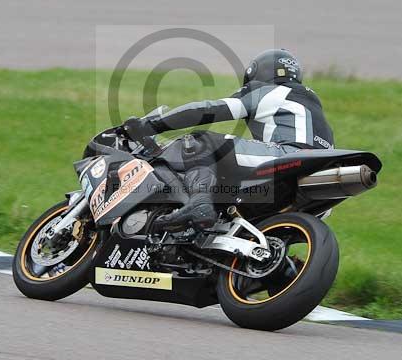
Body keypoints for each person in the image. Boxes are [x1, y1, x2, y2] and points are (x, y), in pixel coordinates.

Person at [129, 48, 335, 232]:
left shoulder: (266, 91)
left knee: (200, 141)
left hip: (288, 155)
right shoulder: (312, 108)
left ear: (257, 73)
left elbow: (209, 110)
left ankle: (199, 201)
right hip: (317, 179)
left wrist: (152, 124)